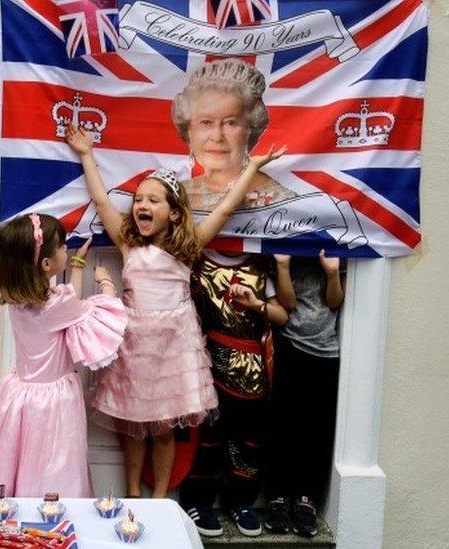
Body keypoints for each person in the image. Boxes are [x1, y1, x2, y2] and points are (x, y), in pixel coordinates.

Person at [66, 123, 285, 499]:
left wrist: (253, 167)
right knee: (133, 426)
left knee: (164, 430)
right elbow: (102, 201)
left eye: (153, 201)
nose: (142, 207)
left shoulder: (188, 246)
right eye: (138, 200)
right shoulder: (129, 245)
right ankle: (133, 493)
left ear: (175, 213)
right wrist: (87, 154)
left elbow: (227, 205)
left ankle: (159, 498)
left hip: (173, 350)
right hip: (134, 347)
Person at [0, 214, 128, 498]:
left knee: (21, 459)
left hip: (20, 394)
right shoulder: (55, 306)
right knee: (53, 464)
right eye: (62, 246)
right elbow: (91, 309)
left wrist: (76, 263)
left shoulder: (18, 300)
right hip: (54, 401)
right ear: (47, 264)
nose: (66, 249)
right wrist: (107, 283)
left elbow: (68, 302)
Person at [181, 250, 288, 538]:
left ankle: (240, 501)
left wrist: (256, 304)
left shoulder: (259, 265)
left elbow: (282, 315)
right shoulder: (199, 259)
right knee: (209, 436)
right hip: (211, 362)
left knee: (249, 440)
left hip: (253, 368)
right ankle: (198, 499)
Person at [263, 251, 345, 537]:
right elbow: (288, 304)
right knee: (283, 426)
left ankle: (306, 500)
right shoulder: (282, 256)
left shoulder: (332, 256)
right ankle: (278, 497)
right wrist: (283, 265)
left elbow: (335, 302)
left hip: (326, 353)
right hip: (291, 347)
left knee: (316, 431)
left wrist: (332, 272)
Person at [173, 58, 296, 212]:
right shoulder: (174, 195)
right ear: (189, 130)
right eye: (206, 122)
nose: (217, 137)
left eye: (230, 123)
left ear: (250, 129)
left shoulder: (281, 201)